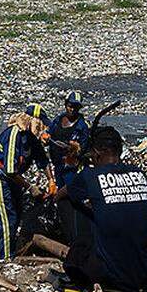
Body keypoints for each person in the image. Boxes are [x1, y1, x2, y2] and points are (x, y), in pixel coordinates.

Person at [56, 125, 147, 292]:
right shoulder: (139, 173)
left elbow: (60, 195)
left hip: (112, 279)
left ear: (97, 153)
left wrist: (69, 171)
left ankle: (78, 258)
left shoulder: (89, 175)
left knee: (67, 203)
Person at [0, 107, 51, 259]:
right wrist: (30, 187)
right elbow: (10, 170)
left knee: (17, 215)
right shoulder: (14, 135)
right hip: (1, 178)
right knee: (7, 219)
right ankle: (6, 259)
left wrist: (51, 180)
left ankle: (12, 251)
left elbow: (42, 159)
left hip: (16, 179)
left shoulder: (31, 138)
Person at [46, 91, 90, 241]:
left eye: (76, 107)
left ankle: (76, 232)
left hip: (71, 168)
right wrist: (45, 137)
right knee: (61, 198)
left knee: (72, 196)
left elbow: (84, 149)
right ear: (66, 105)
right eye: (71, 106)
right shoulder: (58, 120)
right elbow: (48, 133)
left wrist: (76, 148)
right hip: (58, 165)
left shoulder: (82, 126)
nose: (72, 109)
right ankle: (66, 229)